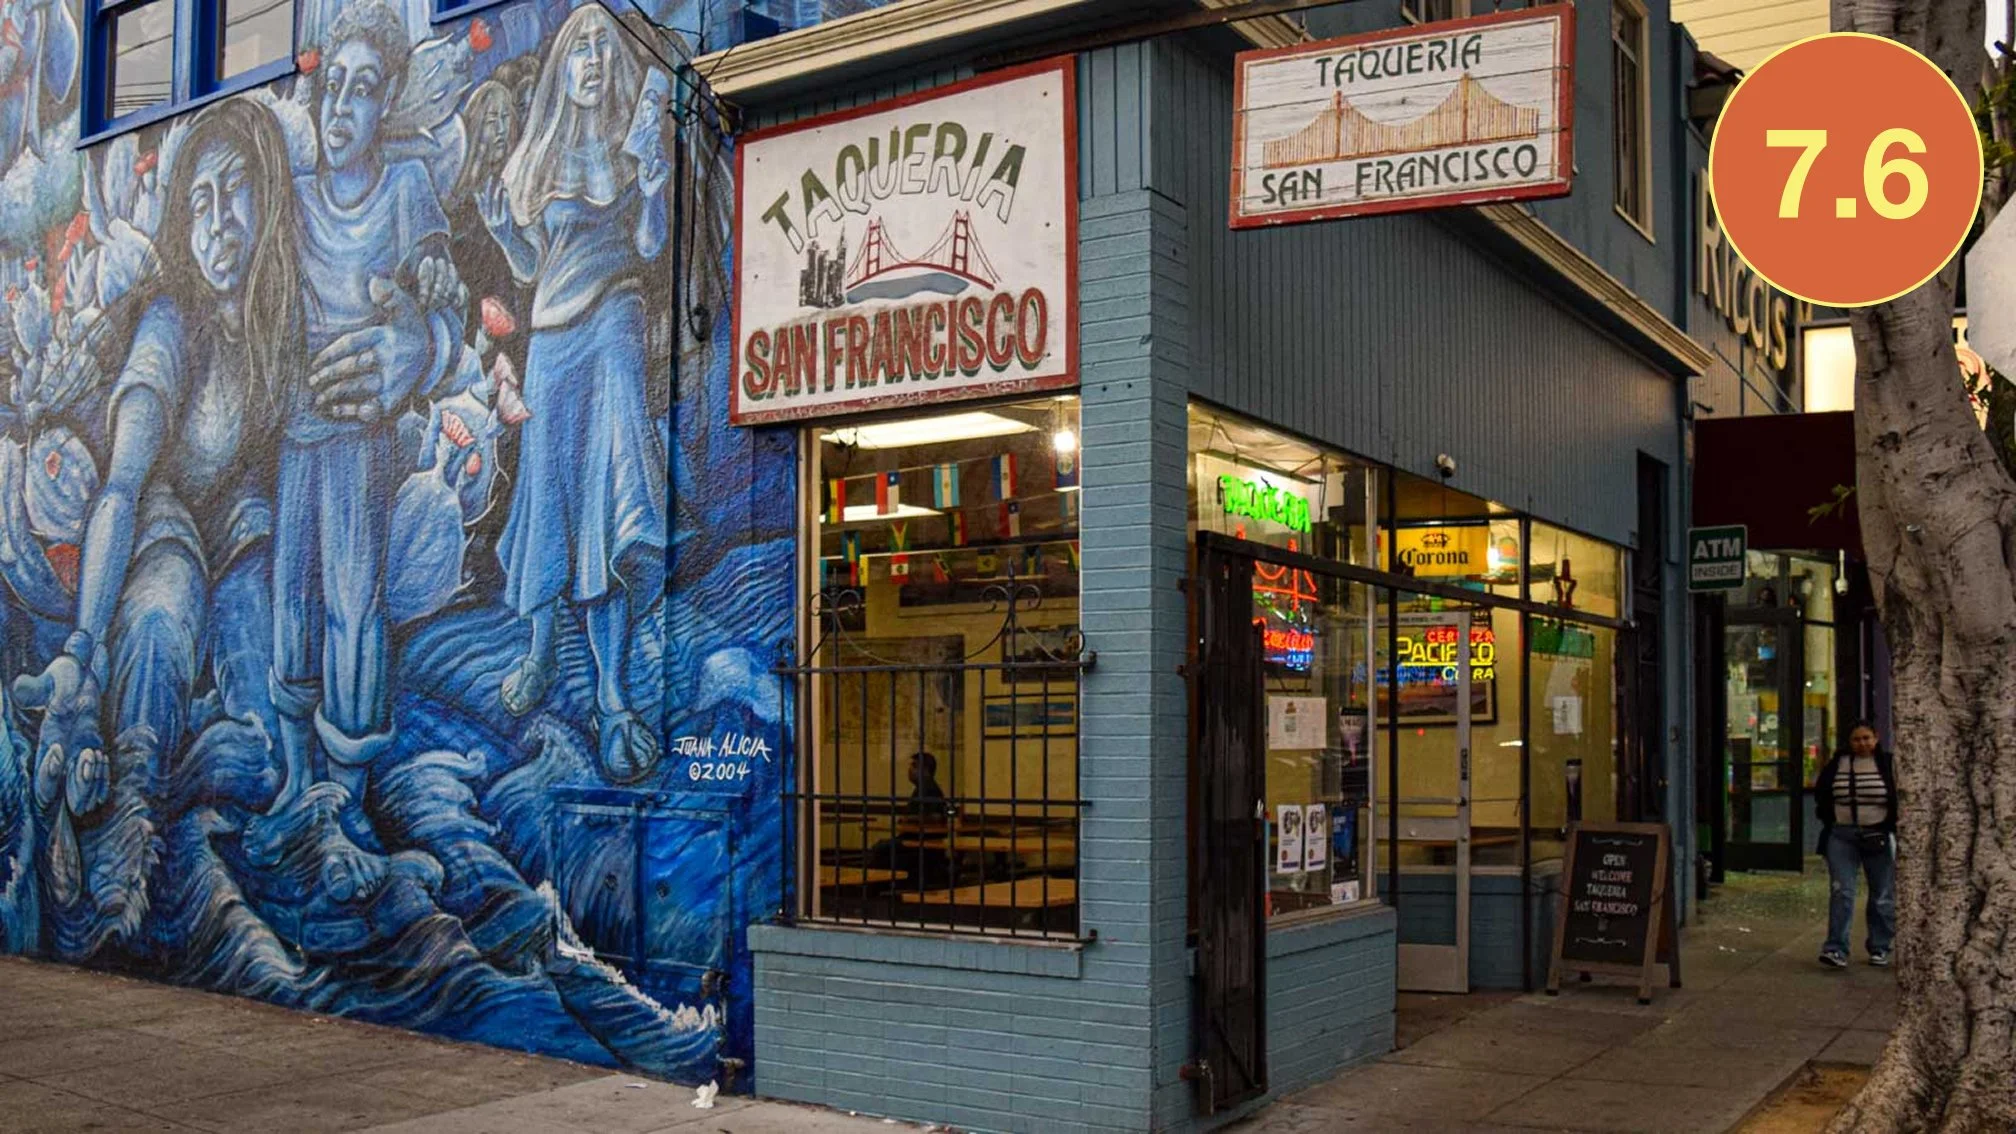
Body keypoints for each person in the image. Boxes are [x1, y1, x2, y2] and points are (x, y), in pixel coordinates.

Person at [13, 96, 298, 890]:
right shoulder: (170, 323)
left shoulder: (280, 319)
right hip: (159, 517)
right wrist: (82, 648)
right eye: (199, 202)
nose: (218, 223)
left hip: (240, 524)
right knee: (163, 617)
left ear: (268, 193)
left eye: (234, 190)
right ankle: (120, 848)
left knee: (259, 700)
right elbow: (122, 488)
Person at [276, 0, 464, 817]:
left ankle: (346, 799)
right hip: (296, 428)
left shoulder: (406, 187)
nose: (341, 108)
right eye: (333, 87)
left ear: (386, 101)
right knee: (293, 598)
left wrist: (424, 321)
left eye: (362, 90)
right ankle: (294, 780)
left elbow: (435, 287)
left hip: (363, 435)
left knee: (354, 605)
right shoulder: (292, 198)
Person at [481, 4, 668, 784]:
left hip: (617, 319)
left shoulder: (634, 148)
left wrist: (656, 183)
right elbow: (529, 266)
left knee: (608, 501)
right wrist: (501, 233)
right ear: (561, 66)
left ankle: (615, 699)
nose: (591, 58)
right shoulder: (539, 158)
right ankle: (537, 654)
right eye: (578, 47)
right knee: (548, 504)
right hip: (552, 342)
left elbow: (654, 245)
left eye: (601, 45)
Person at [1813, 722, 1897, 969]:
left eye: (1867, 738)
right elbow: (1823, 793)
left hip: (1878, 835)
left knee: (1882, 895)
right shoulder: (1837, 765)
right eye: (1857, 739)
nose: (1862, 744)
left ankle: (1880, 947)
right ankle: (1836, 948)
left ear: (1876, 738)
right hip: (1842, 836)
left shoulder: (1888, 764)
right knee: (1842, 892)